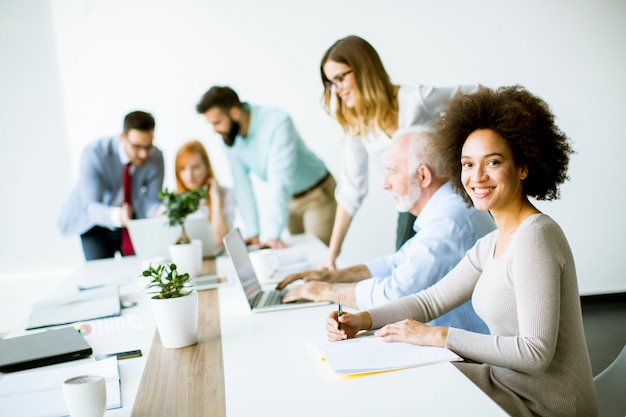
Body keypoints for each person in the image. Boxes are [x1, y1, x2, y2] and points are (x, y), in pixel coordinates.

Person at [325, 86, 597, 417]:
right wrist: (361, 320)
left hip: (543, 405)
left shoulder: (536, 237)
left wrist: (437, 335)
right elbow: (429, 300)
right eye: (468, 164)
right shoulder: (492, 243)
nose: (476, 177)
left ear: (523, 166)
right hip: (506, 384)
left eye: (492, 162)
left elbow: (534, 352)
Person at [277, 127, 494, 333]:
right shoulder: (446, 207)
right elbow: (397, 262)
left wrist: (323, 291)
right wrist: (331, 276)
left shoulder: (448, 221)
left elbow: (396, 294)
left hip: (465, 358)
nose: (385, 183)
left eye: (392, 172)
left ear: (423, 176)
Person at [320, 35, 476, 269]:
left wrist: (473, 155)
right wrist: (332, 254)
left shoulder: (415, 99)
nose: (337, 89)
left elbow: (477, 94)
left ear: (363, 69)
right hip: (413, 203)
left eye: (341, 78)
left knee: (474, 258)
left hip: (452, 194)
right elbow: (352, 190)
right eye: (331, 83)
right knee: (405, 270)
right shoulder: (356, 126)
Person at [196, 86, 337, 248]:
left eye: (217, 122)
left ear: (234, 112)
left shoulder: (277, 123)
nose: (214, 130)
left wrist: (271, 236)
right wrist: (253, 232)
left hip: (317, 195)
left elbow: (280, 180)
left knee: (317, 257)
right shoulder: (230, 138)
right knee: (299, 259)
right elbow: (242, 186)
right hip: (291, 200)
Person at [58, 110, 164, 260]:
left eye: (148, 146)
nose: (143, 154)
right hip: (96, 224)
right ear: (122, 137)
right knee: (101, 275)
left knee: (140, 268)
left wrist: (159, 212)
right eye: (136, 147)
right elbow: (91, 206)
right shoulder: (94, 154)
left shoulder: (156, 157)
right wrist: (118, 216)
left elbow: (153, 200)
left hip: (131, 221)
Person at [173, 140, 235, 249]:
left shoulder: (224, 194)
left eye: (196, 167)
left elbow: (220, 242)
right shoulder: (174, 201)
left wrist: (215, 198)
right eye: (183, 169)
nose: (189, 175)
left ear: (207, 166)